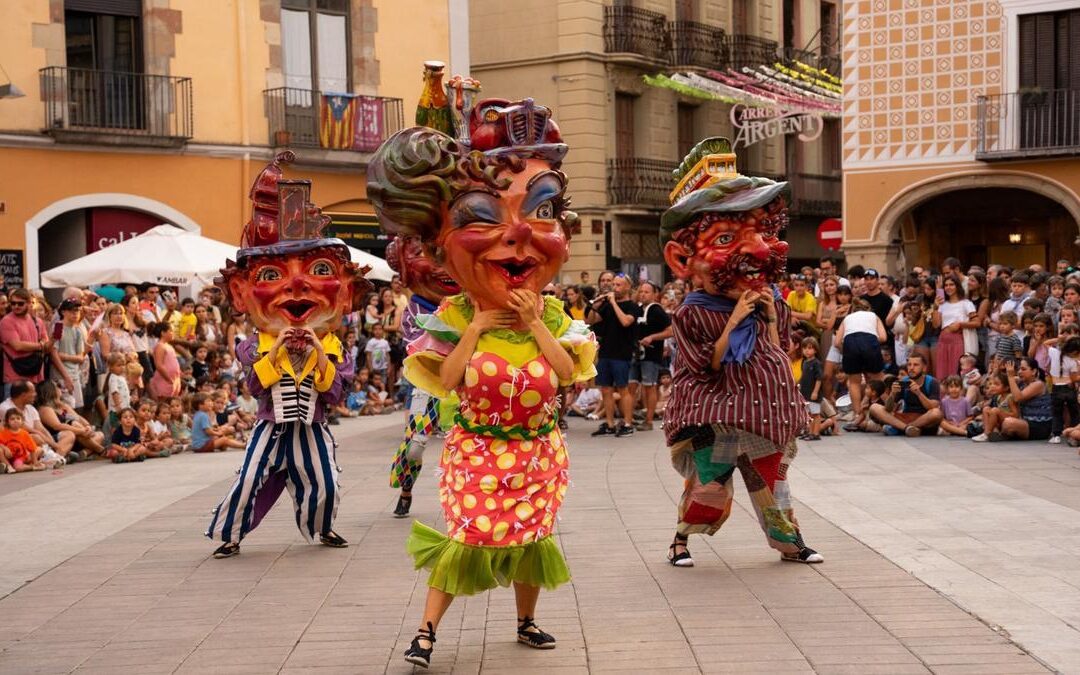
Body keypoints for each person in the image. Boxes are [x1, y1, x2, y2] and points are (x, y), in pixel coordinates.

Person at [368, 98, 597, 668]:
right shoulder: (450, 318)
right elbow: (446, 382)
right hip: (478, 450)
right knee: (470, 533)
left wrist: (533, 325)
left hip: (539, 451)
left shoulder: (556, 317)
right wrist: (475, 326)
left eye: (542, 210)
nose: (520, 234)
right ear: (438, 239)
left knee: (533, 538)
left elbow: (567, 375)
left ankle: (526, 620)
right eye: (483, 216)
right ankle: (425, 632)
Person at [658, 137, 822, 569]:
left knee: (774, 482)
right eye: (729, 237)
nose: (760, 250)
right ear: (682, 259)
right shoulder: (693, 311)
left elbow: (776, 355)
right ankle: (680, 542)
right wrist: (734, 322)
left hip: (764, 411)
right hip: (714, 413)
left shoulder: (774, 300)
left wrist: (767, 317)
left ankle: (791, 544)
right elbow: (706, 367)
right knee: (709, 487)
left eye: (765, 233)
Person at [206, 152, 363, 559]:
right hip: (269, 427)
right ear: (241, 292)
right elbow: (254, 385)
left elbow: (334, 395)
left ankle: (322, 527)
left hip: (311, 428)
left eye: (320, 271)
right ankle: (230, 535)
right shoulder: (253, 345)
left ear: (346, 292)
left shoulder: (333, 347)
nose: (295, 287)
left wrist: (318, 354)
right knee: (249, 479)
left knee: (324, 481)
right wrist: (275, 351)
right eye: (271, 276)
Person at [380, 231, 461, 518]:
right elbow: (421, 348)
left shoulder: (471, 304)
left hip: (467, 383)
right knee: (415, 447)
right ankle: (405, 490)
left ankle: (464, 497)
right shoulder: (413, 310)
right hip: (429, 384)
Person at [587, 273, 641, 437]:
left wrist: (612, 302)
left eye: (618, 285)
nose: (614, 288)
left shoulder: (632, 306)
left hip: (622, 353)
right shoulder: (607, 304)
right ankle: (610, 424)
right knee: (605, 389)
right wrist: (595, 306)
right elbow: (591, 320)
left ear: (627, 287)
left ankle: (627, 423)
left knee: (623, 389)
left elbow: (626, 321)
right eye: (614, 284)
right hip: (605, 352)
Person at [835, 298, 886, 432]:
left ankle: (857, 414)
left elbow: (837, 342)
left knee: (854, 382)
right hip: (870, 341)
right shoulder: (873, 316)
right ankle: (883, 410)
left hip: (850, 343)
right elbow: (884, 337)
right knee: (877, 380)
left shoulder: (848, 318)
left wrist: (845, 349)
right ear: (868, 309)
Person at [977, 358, 1053, 442]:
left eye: (1023, 369)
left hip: (1039, 426)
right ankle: (989, 433)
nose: (1020, 371)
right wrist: (997, 370)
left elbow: (1018, 398)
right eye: (1019, 369)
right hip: (1024, 422)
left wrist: (1010, 376)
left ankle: (996, 433)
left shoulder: (1038, 384)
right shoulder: (1021, 382)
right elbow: (1002, 380)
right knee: (988, 411)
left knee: (1008, 423)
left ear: (1034, 371)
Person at [868, 352, 943, 436]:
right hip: (905, 417)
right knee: (874, 407)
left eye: (916, 365)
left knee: (937, 413)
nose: (911, 368)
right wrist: (892, 394)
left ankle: (902, 428)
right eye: (909, 365)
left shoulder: (932, 382)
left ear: (924, 368)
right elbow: (889, 409)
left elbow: (933, 407)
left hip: (924, 419)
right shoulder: (904, 381)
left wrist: (919, 394)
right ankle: (906, 429)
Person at [633, 281, 671, 431]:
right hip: (636, 353)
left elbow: (671, 331)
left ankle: (649, 421)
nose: (642, 294)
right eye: (641, 291)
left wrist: (652, 337)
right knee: (632, 385)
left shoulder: (657, 310)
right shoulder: (636, 309)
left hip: (651, 354)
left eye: (646, 292)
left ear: (655, 294)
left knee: (650, 387)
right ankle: (630, 419)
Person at [0, 288, 50, 397]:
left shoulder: (37, 321)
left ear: (29, 303)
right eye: (13, 303)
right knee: (14, 413)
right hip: (15, 378)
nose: (16, 306)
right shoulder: (6, 321)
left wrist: (44, 344)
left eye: (20, 304)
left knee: (32, 413)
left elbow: (47, 344)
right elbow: (17, 346)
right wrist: (40, 345)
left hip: (36, 376)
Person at [931, 274, 977, 380]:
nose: (948, 287)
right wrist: (935, 307)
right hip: (943, 340)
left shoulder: (966, 303)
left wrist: (960, 324)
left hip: (958, 340)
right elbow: (936, 324)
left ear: (957, 286)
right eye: (946, 285)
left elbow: (977, 322)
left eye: (951, 284)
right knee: (942, 372)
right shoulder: (942, 304)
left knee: (955, 371)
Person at [1047, 335, 1080, 444]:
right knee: (1074, 412)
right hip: (1069, 388)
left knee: (1057, 412)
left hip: (1056, 387)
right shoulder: (1072, 361)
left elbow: (1045, 343)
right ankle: (1073, 434)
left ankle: (1056, 435)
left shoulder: (1055, 353)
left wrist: (1059, 339)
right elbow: (1074, 378)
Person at [0, 408, 44, 472]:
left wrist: (35, 462)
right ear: (7, 421)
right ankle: (8, 466)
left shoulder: (24, 434)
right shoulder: (3, 433)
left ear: (22, 421)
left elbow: (32, 449)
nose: (16, 420)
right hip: (7, 457)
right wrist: (5, 448)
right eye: (12, 419)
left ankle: (32, 467)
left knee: (18, 468)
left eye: (18, 418)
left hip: (19, 458)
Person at [799, 337, 824, 440]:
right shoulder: (804, 362)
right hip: (805, 392)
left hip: (813, 393)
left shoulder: (816, 363)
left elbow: (819, 379)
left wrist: (815, 392)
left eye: (809, 348)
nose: (807, 351)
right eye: (804, 348)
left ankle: (816, 433)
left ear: (815, 350)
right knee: (808, 414)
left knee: (815, 414)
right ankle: (809, 431)